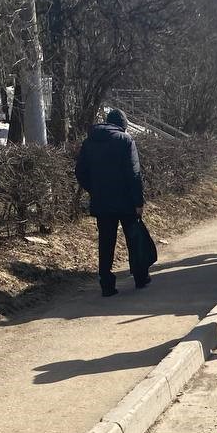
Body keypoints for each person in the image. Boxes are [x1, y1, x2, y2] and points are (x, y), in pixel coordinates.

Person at [75, 108, 149, 297]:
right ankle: (140, 277)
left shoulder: (89, 141)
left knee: (106, 242)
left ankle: (106, 284)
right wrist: (138, 202)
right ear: (123, 125)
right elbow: (134, 174)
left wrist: (95, 189)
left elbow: (80, 172)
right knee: (133, 239)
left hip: (102, 201)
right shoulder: (125, 140)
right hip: (126, 202)